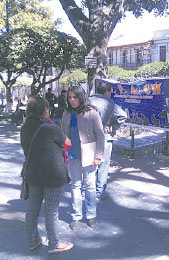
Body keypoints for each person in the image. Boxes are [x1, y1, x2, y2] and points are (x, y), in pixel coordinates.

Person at [20, 96, 73, 253]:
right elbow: (67, 143)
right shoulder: (50, 128)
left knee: (33, 209)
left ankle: (33, 241)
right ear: (45, 110)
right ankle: (54, 244)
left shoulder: (25, 128)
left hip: (33, 175)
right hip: (52, 176)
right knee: (51, 210)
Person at [61, 85, 105, 229]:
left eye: (75, 97)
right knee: (75, 185)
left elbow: (100, 134)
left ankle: (91, 214)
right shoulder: (67, 112)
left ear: (81, 97)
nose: (72, 100)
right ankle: (76, 215)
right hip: (72, 154)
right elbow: (63, 132)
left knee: (90, 186)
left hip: (89, 154)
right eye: (70, 97)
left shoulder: (92, 112)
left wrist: (98, 155)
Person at [89, 83, 127, 200]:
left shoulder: (88, 100)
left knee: (90, 166)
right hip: (104, 136)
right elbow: (123, 116)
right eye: (110, 92)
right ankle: (99, 193)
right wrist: (113, 126)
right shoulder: (109, 103)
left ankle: (88, 191)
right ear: (107, 92)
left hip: (88, 137)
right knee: (103, 166)